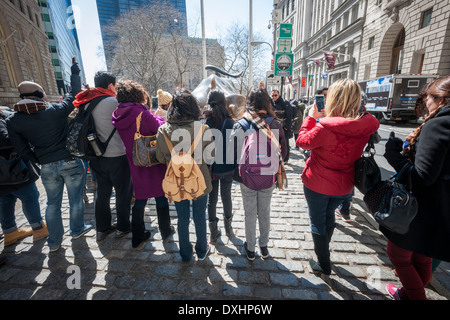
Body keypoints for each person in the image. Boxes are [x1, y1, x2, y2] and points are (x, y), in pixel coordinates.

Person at [6, 60, 92, 252]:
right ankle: (77, 229)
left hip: (46, 165)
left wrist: (38, 158)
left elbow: (21, 149)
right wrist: (75, 71)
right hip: (69, 161)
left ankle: (54, 242)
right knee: (75, 200)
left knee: (52, 204)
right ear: (39, 95)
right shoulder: (54, 111)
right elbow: (73, 94)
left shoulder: (14, 121)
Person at [296, 78, 379, 276]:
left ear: (333, 99)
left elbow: (302, 142)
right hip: (344, 185)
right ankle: (323, 255)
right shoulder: (365, 125)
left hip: (317, 183)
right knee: (329, 216)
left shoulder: (325, 127)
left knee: (318, 221)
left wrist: (310, 117)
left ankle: (323, 264)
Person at [383, 76, 450, 300]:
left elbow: (422, 176)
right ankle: (408, 292)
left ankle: (413, 295)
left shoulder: (439, 123)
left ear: (440, 99)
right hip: (441, 207)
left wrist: (393, 155)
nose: (425, 103)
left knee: (397, 255)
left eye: (427, 98)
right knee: (423, 255)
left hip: (423, 207)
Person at [112, 80, 175, 248]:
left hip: (135, 160)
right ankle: (165, 230)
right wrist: (160, 117)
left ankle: (137, 235)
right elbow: (160, 128)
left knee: (140, 197)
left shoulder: (119, 113)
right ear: (137, 95)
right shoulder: (142, 114)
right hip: (152, 159)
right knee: (160, 195)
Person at [73, 71, 133, 242]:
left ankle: (102, 228)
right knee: (123, 193)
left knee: (102, 192)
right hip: (117, 155)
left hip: (95, 156)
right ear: (110, 85)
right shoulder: (113, 102)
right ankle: (122, 227)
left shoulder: (84, 102)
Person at [155, 89, 214, 262]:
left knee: (182, 217)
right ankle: (202, 249)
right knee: (199, 216)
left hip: (176, 181)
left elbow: (159, 157)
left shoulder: (163, 130)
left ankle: (186, 254)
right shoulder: (203, 129)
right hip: (199, 180)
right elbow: (211, 156)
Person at [230, 86, 287, 260]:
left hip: (247, 177)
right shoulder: (275, 124)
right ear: (268, 103)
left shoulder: (241, 124)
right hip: (268, 177)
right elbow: (284, 153)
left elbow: (232, 153)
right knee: (264, 212)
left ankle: (250, 248)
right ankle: (264, 246)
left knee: (249, 213)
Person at [0, 109, 48, 246]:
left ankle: (10, 232)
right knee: (30, 196)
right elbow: (6, 140)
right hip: (13, 170)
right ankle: (39, 228)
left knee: (5, 199)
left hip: (4, 173)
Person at [202, 89, 236, 242]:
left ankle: (213, 231)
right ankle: (229, 228)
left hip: (212, 168)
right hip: (228, 167)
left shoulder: (207, 122)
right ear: (224, 102)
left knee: (212, 199)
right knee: (226, 197)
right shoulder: (230, 121)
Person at [271, 90, 293, 162]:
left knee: (285, 143)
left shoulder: (284, 102)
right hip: (275, 125)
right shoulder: (272, 103)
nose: (274, 97)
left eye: (275, 95)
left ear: (279, 95)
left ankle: (286, 158)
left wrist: (287, 126)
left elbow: (289, 115)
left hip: (283, 126)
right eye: (272, 95)